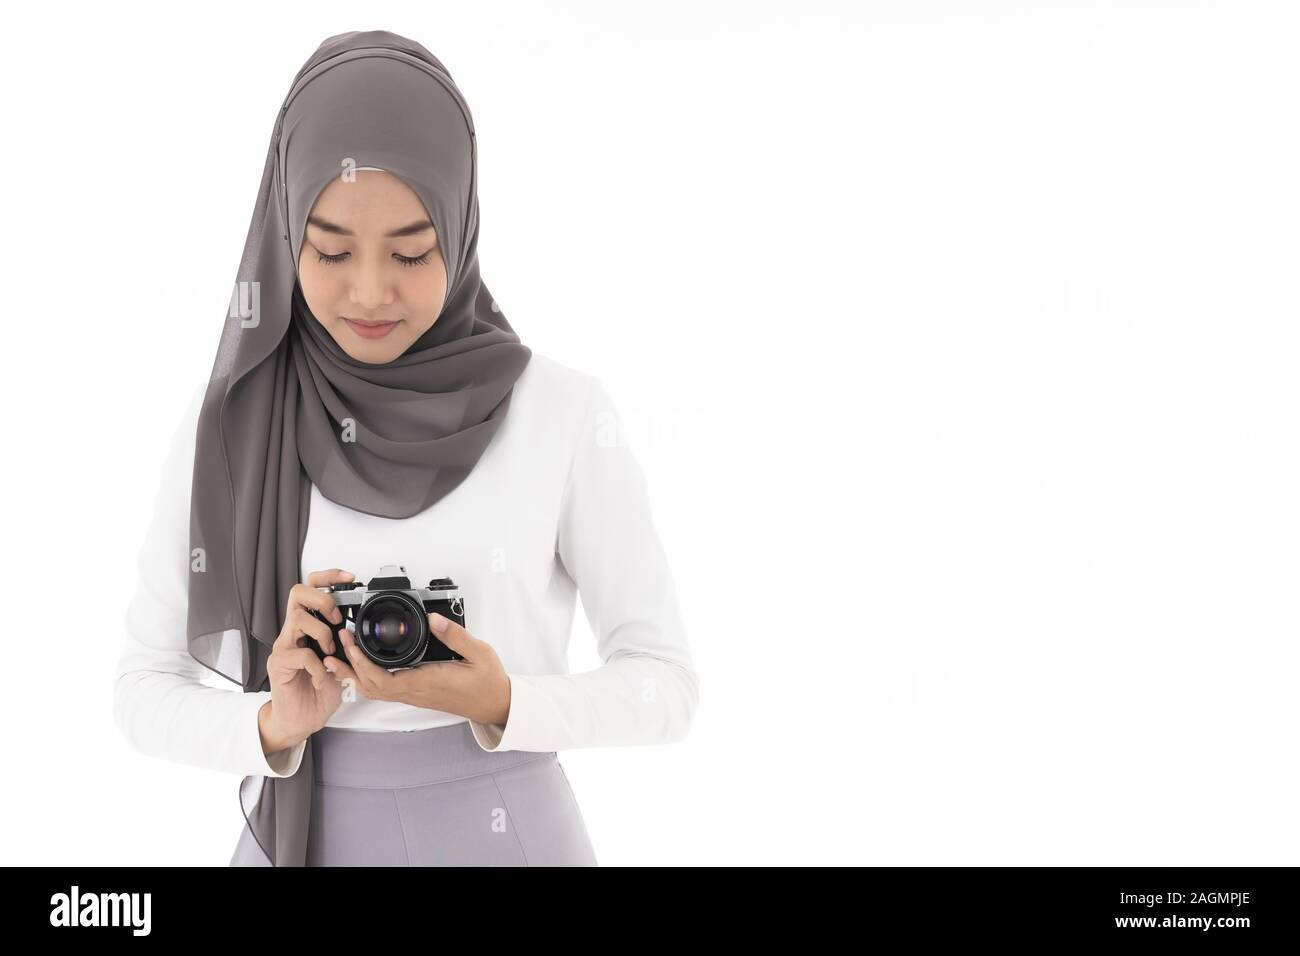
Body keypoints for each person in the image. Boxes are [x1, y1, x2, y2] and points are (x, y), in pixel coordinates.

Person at [112, 29, 699, 866]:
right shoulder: (235, 426)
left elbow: (666, 685)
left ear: (460, 228)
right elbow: (140, 690)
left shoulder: (561, 413)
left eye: (414, 251)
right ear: (285, 233)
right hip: (300, 837)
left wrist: (505, 701)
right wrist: (274, 722)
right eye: (330, 249)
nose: (371, 292)